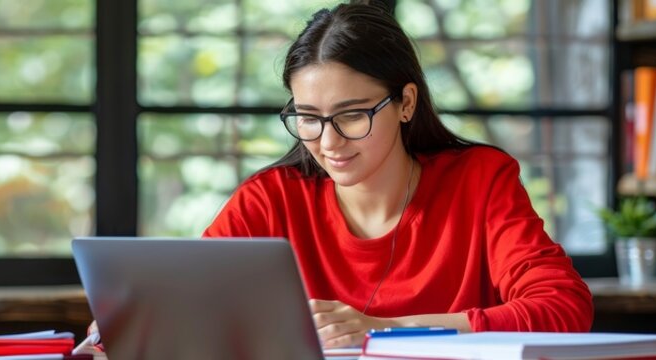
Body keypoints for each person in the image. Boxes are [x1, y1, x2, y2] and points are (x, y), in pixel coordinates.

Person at [85, 0, 593, 351]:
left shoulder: (480, 180)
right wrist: (129, 327)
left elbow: (562, 309)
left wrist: (385, 329)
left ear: (406, 103)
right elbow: (188, 303)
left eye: (352, 115)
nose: (328, 142)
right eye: (307, 117)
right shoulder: (270, 199)